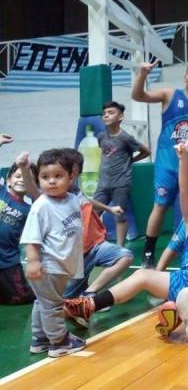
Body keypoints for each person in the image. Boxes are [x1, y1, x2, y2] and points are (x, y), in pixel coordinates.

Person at [63, 142, 188, 335]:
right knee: (142, 275)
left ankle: (185, 314)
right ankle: (89, 305)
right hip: (182, 279)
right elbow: (185, 189)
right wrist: (183, 159)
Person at [132, 60, 188, 268]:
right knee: (160, 206)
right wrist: (142, 74)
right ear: (185, 75)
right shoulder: (170, 94)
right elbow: (138, 96)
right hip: (167, 164)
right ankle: (149, 253)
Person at [20, 149, 85, 357]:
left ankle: (40, 339)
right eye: (45, 177)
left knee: (43, 302)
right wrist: (33, 261)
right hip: (47, 266)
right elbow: (31, 238)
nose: (52, 181)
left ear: (71, 177)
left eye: (58, 176)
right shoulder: (41, 206)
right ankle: (59, 342)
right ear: (38, 179)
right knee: (53, 305)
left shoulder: (72, 199)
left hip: (62, 264)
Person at [60, 149, 133, 327]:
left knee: (125, 256)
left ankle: (88, 295)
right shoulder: (56, 198)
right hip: (75, 257)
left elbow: (87, 200)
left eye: (75, 170)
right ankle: (75, 308)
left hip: (95, 246)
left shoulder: (76, 190)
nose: (72, 174)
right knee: (61, 306)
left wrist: (109, 209)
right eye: (68, 169)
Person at [93, 101, 150, 246]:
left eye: (111, 113)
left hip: (121, 183)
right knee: (93, 213)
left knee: (119, 215)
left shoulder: (126, 138)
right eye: (104, 113)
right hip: (103, 183)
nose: (106, 115)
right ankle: (94, 244)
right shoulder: (101, 136)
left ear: (120, 117)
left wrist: (131, 160)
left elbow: (146, 151)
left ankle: (119, 247)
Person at [0, 151, 38, 305]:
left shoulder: (31, 209)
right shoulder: (1, 192)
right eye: (17, 176)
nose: (22, 180)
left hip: (8, 259)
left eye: (27, 178)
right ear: (8, 180)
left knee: (20, 297)